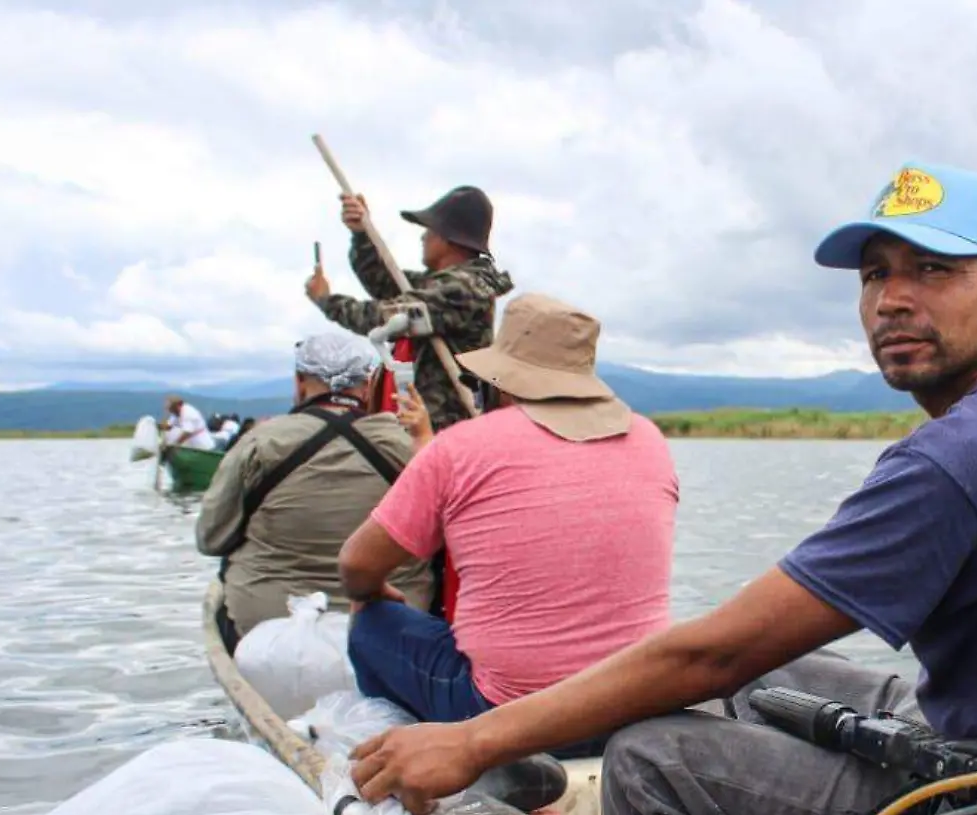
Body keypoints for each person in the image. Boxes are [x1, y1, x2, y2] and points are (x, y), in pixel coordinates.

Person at [346, 161, 977, 815]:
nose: (891, 300)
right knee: (765, 676)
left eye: (933, 270)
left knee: (651, 763)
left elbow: (710, 656)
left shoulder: (953, 455)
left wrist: (471, 740)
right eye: (876, 274)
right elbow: (737, 654)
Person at [337, 292, 679, 760]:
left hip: (505, 715)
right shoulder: (649, 440)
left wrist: (374, 591)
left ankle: (416, 749)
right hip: (633, 705)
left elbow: (355, 566)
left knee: (372, 624)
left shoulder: (460, 446)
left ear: (501, 383)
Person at [196, 333, 434, 651]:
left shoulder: (258, 443)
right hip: (392, 630)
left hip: (268, 629)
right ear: (367, 385)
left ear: (299, 383)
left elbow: (211, 539)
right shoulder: (410, 447)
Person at [306, 185, 515, 433]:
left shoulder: (462, 289)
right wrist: (362, 234)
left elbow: (385, 319)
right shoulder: (447, 284)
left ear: (449, 238)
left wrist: (326, 300)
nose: (423, 238)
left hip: (446, 430)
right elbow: (384, 281)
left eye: (429, 230)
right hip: (432, 426)